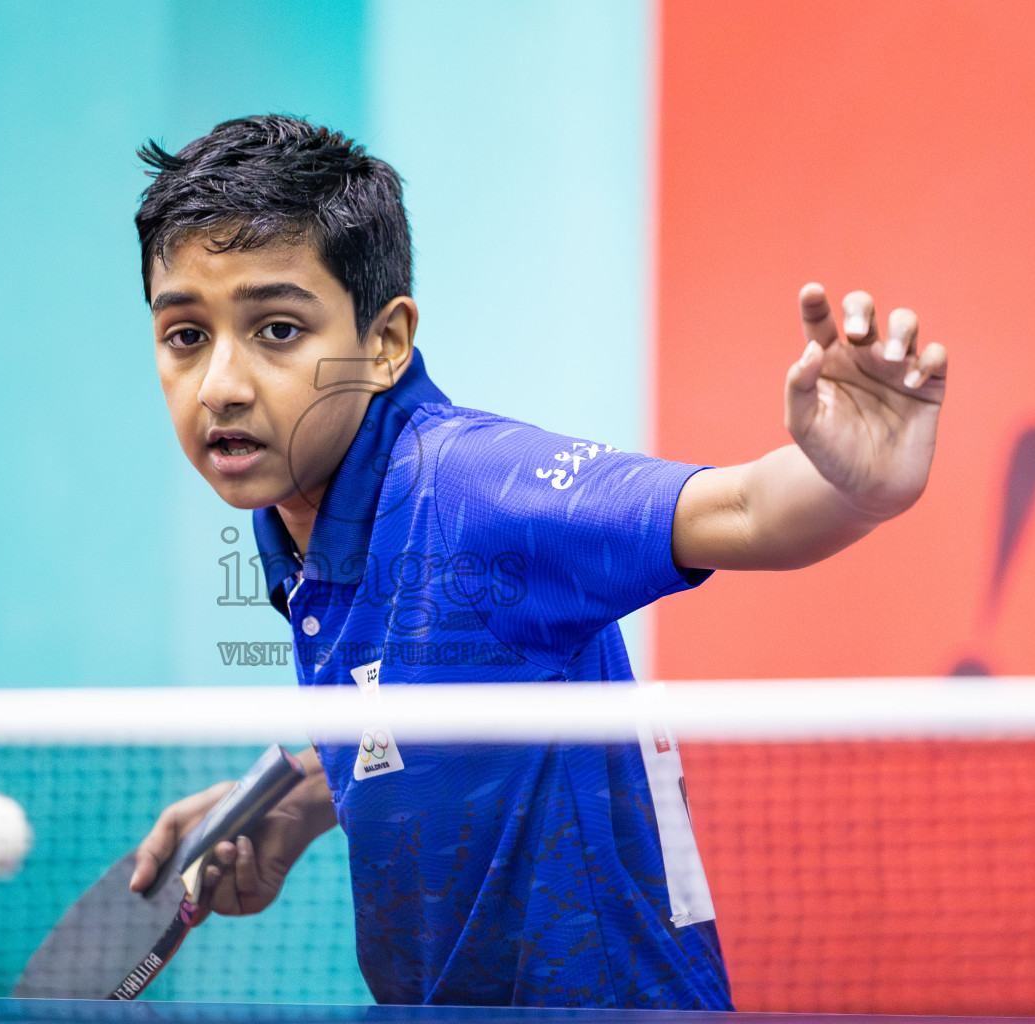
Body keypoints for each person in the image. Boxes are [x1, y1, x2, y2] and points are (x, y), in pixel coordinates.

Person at [124, 115, 948, 1008]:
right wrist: (299, 796)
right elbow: (435, 694)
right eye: (185, 336)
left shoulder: (478, 487)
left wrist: (857, 487)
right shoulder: (296, 521)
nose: (221, 385)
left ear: (387, 342)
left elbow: (742, 508)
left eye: (277, 329)